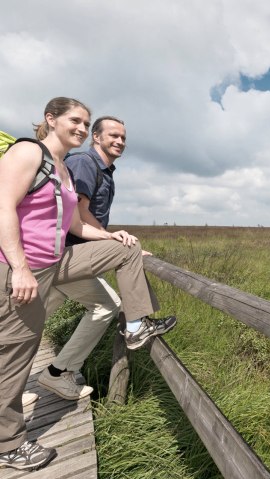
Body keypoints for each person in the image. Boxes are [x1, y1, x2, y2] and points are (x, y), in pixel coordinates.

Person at [0, 97, 175, 471]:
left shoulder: (63, 167)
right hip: (23, 268)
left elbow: (74, 225)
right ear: (51, 119)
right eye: (75, 121)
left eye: (85, 122)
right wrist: (20, 267)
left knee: (21, 351)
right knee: (13, 353)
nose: (80, 128)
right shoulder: (27, 152)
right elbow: (3, 206)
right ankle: (8, 444)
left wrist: (114, 239)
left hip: (51, 264)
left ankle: (130, 329)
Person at [36, 115, 168, 402]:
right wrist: (116, 243)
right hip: (65, 255)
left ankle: (57, 373)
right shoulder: (85, 163)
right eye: (113, 136)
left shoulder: (105, 172)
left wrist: (114, 242)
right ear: (96, 137)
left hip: (68, 258)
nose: (119, 141)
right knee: (25, 323)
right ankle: (136, 326)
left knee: (31, 322)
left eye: (123, 137)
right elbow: (79, 214)